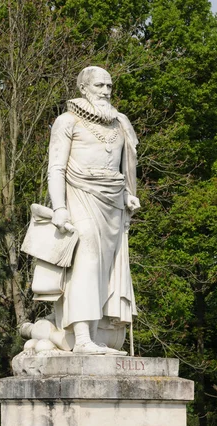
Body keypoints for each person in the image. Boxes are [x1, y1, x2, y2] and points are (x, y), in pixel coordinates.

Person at [45, 66, 140, 355]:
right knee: (86, 261)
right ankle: (82, 337)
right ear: (83, 88)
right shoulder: (67, 121)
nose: (106, 91)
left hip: (112, 203)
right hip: (80, 195)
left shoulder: (120, 122)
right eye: (99, 85)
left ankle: (97, 333)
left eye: (109, 86)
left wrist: (128, 194)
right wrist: (59, 208)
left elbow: (125, 166)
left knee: (106, 269)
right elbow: (57, 168)